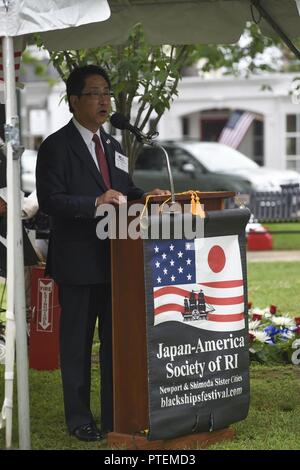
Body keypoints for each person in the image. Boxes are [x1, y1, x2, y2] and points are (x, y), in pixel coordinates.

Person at [36, 64, 169, 442]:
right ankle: (79, 418)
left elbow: (123, 189)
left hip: (117, 261)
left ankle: (115, 414)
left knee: (116, 343)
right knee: (77, 346)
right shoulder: (55, 147)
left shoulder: (111, 145)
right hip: (78, 262)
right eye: (95, 93)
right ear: (74, 101)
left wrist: (147, 196)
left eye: (107, 93)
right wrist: (94, 202)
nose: (104, 100)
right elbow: (51, 201)